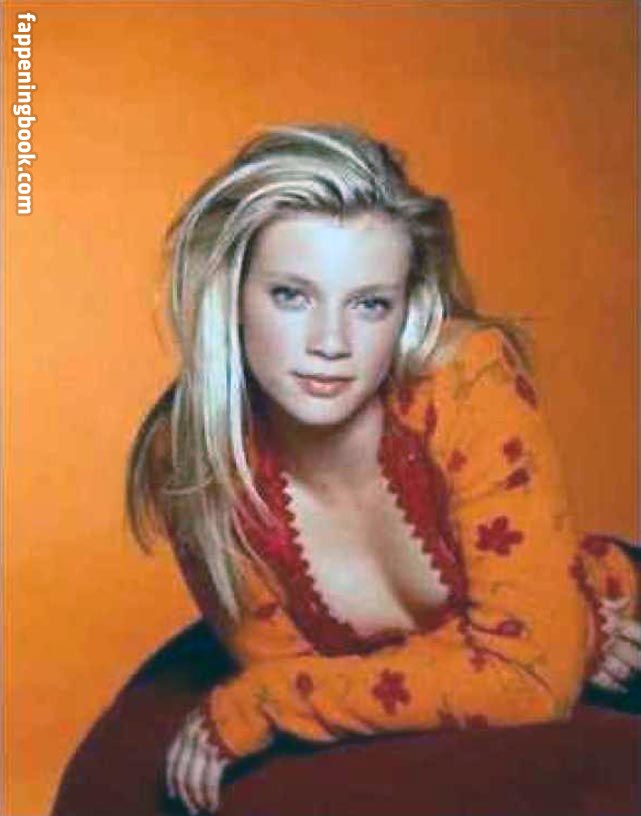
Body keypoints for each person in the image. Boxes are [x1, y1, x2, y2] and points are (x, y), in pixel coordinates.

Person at [126, 124, 641, 815]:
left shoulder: (463, 380)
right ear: (232, 292)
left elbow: (528, 682)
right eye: (291, 295)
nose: (331, 343)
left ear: (405, 309)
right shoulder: (192, 455)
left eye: (369, 304)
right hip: (545, 659)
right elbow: (291, 673)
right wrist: (556, 637)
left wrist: (265, 704)